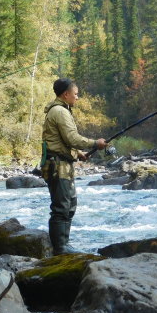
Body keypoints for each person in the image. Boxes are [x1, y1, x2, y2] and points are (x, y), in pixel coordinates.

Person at [41, 78, 106, 255]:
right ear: (66, 94)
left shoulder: (60, 110)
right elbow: (71, 138)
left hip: (62, 163)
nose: (77, 98)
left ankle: (64, 245)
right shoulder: (60, 112)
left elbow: (60, 139)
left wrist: (78, 153)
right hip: (57, 165)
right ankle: (60, 248)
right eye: (75, 94)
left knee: (70, 204)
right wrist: (95, 143)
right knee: (61, 207)